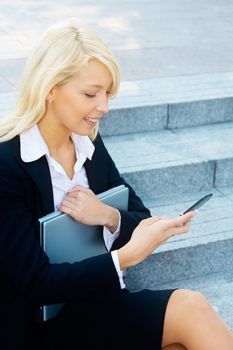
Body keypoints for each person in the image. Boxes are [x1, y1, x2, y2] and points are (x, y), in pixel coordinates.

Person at [0, 20, 232, 350]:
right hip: (39, 324)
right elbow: (33, 283)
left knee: (188, 328)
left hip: (97, 303)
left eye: (107, 93)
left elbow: (137, 214)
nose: (104, 107)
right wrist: (124, 258)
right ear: (50, 88)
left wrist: (107, 215)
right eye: (91, 94)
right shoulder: (7, 163)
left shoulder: (88, 145)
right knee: (189, 310)